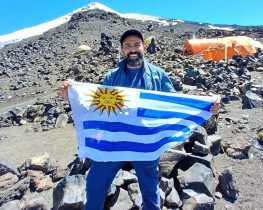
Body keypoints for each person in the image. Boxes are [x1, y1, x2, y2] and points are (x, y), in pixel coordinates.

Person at [58, 29, 175, 210]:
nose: (132, 49)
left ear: (144, 47)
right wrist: (71, 96)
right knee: (95, 184)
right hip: (114, 142)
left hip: (145, 144)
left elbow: (175, 104)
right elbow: (96, 108)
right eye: (128, 46)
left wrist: (207, 107)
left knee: (150, 192)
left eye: (136, 44)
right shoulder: (111, 77)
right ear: (122, 50)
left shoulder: (159, 76)